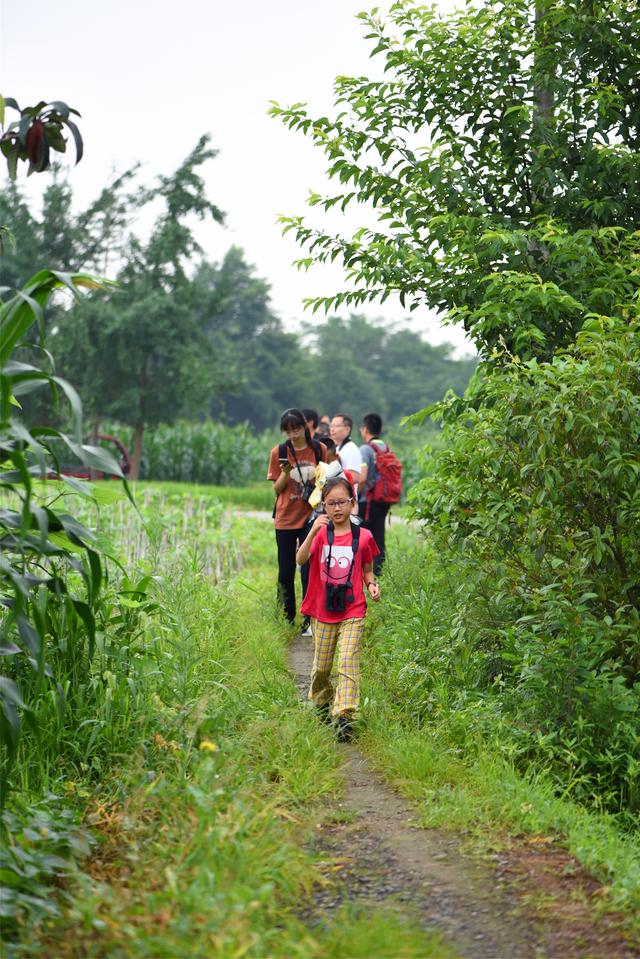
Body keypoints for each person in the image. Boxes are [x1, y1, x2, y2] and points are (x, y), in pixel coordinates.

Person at [297, 475, 380, 742]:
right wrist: (312, 531)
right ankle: (322, 702)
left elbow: (367, 568)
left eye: (342, 502)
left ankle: (344, 717)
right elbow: (300, 559)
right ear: (323, 506)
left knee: (346, 662)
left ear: (352, 503)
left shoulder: (364, 536)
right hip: (322, 611)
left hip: (353, 609)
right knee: (321, 668)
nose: (337, 509)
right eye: (331, 503)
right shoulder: (321, 533)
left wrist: (372, 585)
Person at [267, 408, 326, 626]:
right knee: (285, 569)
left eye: (296, 429)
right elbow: (276, 489)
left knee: (309, 569)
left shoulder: (318, 450)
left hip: (311, 516)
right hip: (285, 518)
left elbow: (324, 482)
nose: (293, 434)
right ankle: (286, 616)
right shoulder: (279, 452)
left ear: (305, 426)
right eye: (288, 431)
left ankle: (309, 618)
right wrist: (285, 471)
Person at [359, 412, 391, 574]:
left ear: (365, 429)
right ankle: (379, 575)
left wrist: (355, 495)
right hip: (383, 500)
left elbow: (362, 477)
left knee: (360, 538)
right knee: (379, 539)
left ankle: (360, 574)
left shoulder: (365, 449)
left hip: (367, 500)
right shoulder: (385, 447)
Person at [329, 413, 362, 495]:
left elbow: (355, 477)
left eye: (336, 426)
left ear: (347, 429)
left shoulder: (351, 449)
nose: (332, 429)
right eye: (331, 426)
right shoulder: (337, 448)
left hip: (347, 501)